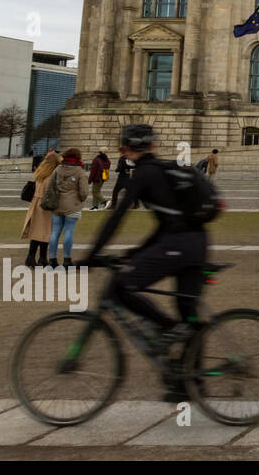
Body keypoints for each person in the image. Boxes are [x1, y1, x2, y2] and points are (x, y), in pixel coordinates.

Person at [83, 124, 217, 401]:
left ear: (125, 151)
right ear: (153, 146)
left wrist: (91, 254)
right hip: (196, 243)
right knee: (189, 312)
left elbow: (117, 217)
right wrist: (136, 252)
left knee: (121, 286)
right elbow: (168, 221)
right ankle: (190, 383)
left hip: (179, 245)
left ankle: (168, 328)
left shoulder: (143, 175)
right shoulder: (165, 171)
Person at [48, 148, 89, 268]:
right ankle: (66, 260)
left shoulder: (58, 169)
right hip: (73, 206)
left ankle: (52, 259)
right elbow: (84, 192)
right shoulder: (80, 171)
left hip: (57, 205)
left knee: (55, 232)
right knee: (68, 231)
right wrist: (80, 200)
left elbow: (51, 186)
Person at [21, 150, 60, 267]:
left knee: (36, 232)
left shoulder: (39, 172)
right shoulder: (52, 176)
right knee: (46, 233)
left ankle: (31, 257)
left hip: (36, 204)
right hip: (46, 205)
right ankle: (42, 258)